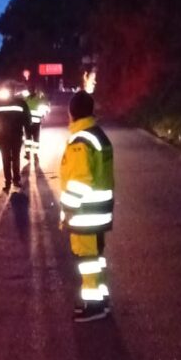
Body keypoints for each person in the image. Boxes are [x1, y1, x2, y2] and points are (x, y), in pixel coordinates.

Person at [59, 91, 115, 323]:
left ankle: (93, 306)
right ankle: (101, 300)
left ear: (72, 112)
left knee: (87, 260)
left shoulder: (81, 140)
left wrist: (68, 209)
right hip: (99, 211)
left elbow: (81, 179)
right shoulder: (98, 135)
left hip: (85, 213)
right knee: (96, 257)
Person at [0, 88, 31, 192]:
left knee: (7, 159)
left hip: (5, 136)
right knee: (13, 158)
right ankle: (14, 180)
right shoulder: (20, 103)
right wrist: (27, 130)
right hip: (14, 135)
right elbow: (27, 119)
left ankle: (10, 181)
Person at [23, 88, 50, 161]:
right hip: (35, 123)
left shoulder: (26, 99)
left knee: (28, 139)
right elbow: (46, 106)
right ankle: (34, 155)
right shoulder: (39, 99)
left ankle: (29, 154)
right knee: (35, 140)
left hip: (28, 123)